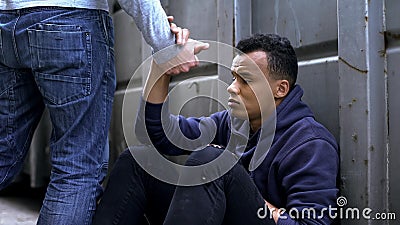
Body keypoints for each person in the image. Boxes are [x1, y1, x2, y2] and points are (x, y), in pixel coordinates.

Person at [93, 34, 339, 224]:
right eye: (233, 78)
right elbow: (156, 134)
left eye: (246, 80)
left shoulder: (310, 144)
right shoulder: (233, 123)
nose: (232, 88)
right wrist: (162, 64)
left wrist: (253, 200)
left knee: (213, 161)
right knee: (138, 162)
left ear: (280, 89)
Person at [0, 0, 198, 224]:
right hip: (71, 21)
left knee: (3, 150)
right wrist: (167, 44)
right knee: (76, 166)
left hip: (8, 24)